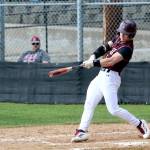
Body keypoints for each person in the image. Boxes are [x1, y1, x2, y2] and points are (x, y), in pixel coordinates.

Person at [71, 19, 150, 142]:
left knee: (113, 110)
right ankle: (82, 131)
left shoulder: (127, 48)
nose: (121, 35)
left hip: (111, 78)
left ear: (131, 35)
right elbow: (104, 47)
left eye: (124, 34)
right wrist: (93, 56)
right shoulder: (118, 38)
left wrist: (93, 63)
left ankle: (140, 124)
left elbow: (111, 61)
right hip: (101, 76)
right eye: (120, 32)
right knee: (89, 103)